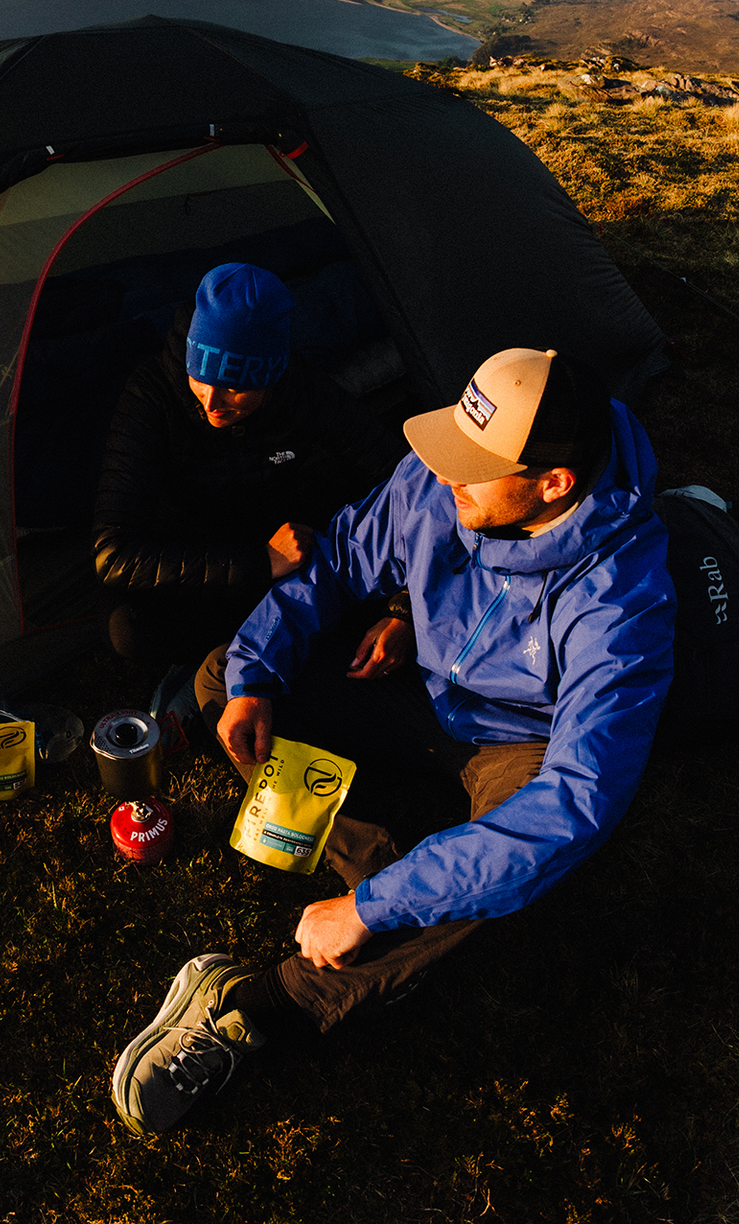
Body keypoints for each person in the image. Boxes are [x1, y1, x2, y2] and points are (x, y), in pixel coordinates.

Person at [110, 346, 675, 1138]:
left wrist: (372, 910)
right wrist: (257, 674)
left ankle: (258, 1005)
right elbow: (338, 557)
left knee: (530, 866)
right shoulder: (446, 475)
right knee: (222, 683)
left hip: (521, 743)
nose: (445, 475)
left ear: (553, 485)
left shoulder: (624, 602)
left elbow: (577, 799)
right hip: (416, 689)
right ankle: (394, 883)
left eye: (474, 466)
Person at [92, 261, 400, 679]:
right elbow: (115, 555)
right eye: (199, 378)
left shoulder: (302, 388)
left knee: (359, 542)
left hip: (282, 539)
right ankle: (282, 639)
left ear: (270, 377)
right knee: (129, 628)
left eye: (234, 387)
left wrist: (403, 608)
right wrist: (258, 563)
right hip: (198, 558)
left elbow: (399, 480)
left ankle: (279, 638)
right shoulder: (151, 395)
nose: (212, 402)